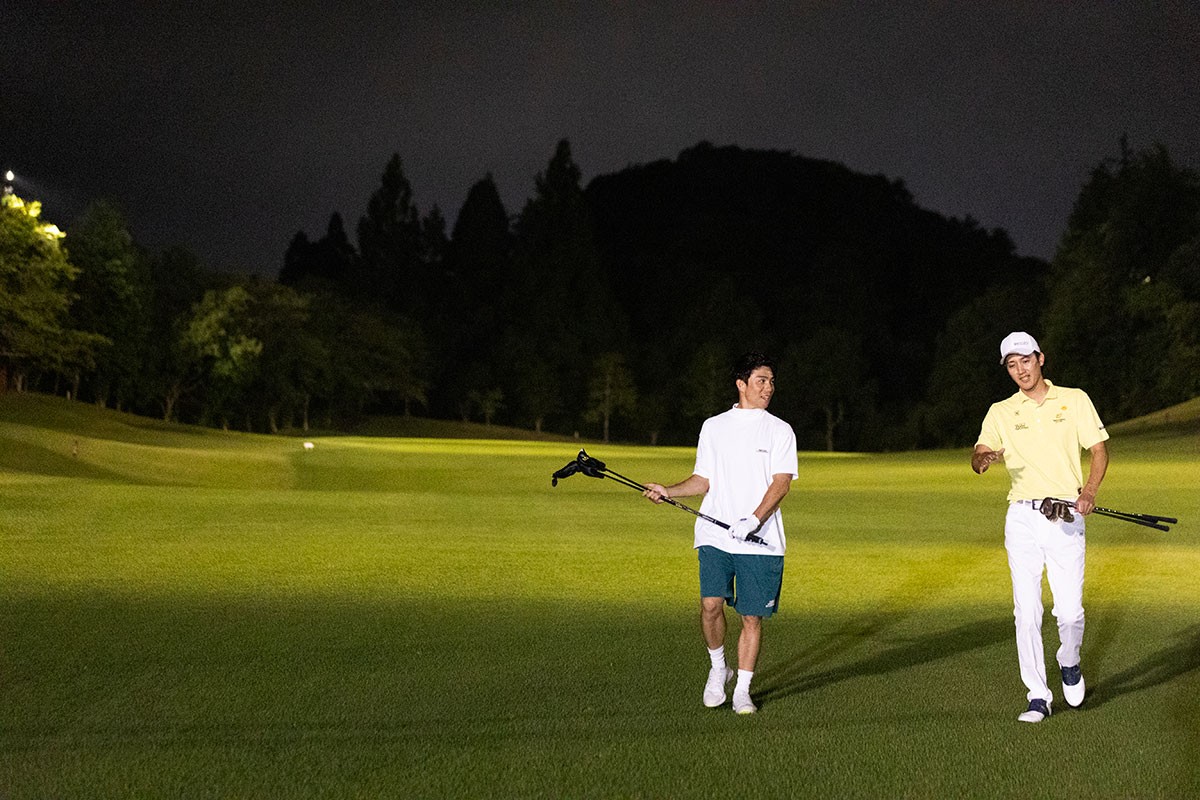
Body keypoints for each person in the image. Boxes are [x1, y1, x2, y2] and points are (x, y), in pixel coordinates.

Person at [643, 352, 798, 715]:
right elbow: (703, 479)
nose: (768, 387)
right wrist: (669, 490)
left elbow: (781, 484)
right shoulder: (714, 426)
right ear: (741, 384)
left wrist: (753, 521)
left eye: (772, 381)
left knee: (750, 617)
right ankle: (718, 670)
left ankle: (742, 689)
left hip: (760, 540)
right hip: (715, 536)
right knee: (711, 606)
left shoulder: (780, 430)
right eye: (761, 380)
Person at [972, 331, 1109, 723]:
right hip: (1022, 516)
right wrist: (984, 460)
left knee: (1069, 613)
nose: (1020, 370)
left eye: (1025, 361)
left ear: (1040, 359)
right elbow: (979, 453)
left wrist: (1091, 491)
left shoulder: (1074, 399)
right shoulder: (1001, 411)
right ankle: (1038, 694)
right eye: (1012, 365)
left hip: (1067, 514)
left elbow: (1098, 449)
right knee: (1026, 610)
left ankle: (1069, 659)